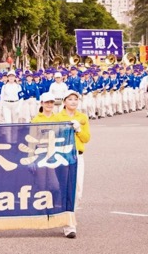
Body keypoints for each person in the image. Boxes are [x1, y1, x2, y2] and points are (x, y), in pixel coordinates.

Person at [53, 90, 91, 239]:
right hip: (62, 156)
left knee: (78, 191)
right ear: (64, 102)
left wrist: (79, 129)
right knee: (65, 189)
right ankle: (69, 224)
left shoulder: (82, 117)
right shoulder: (58, 118)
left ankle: (68, 216)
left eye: (76, 99)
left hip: (77, 156)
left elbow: (86, 138)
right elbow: (53, 136)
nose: (73, 102)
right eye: (70, 99)